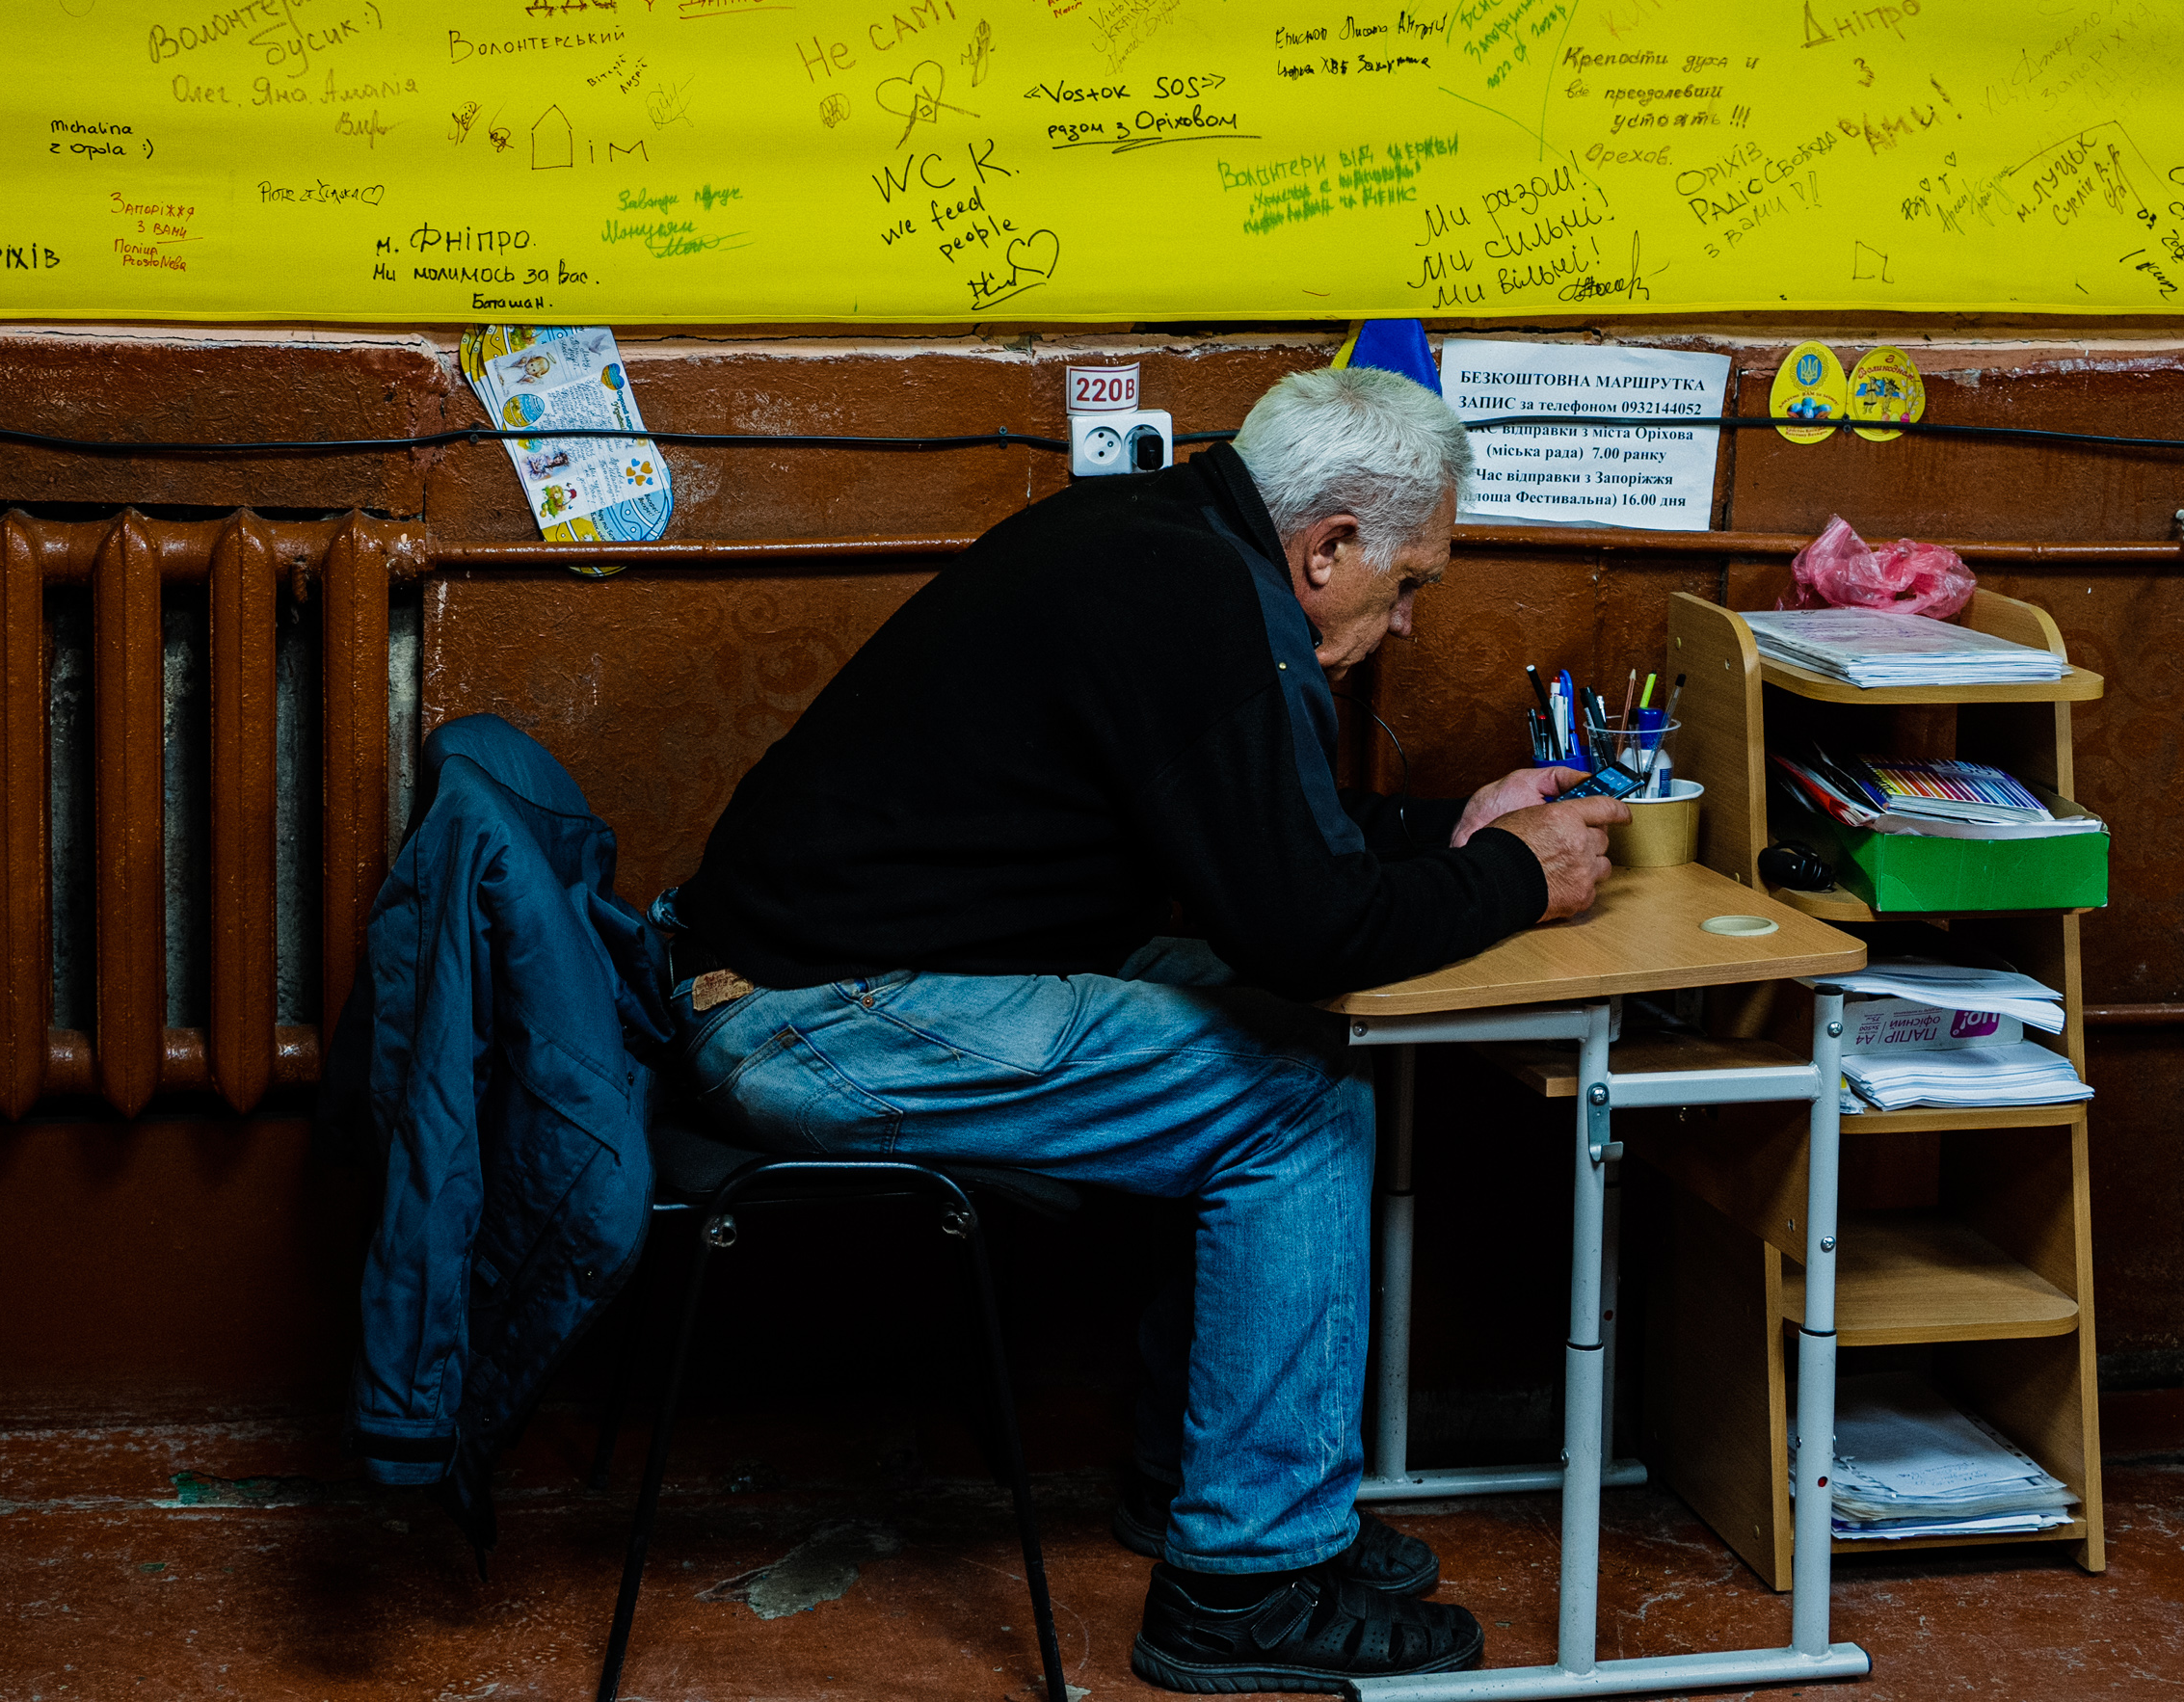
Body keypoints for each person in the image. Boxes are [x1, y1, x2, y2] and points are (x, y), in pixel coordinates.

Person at [664, 363, 1621, 1691]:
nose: (1407, 623)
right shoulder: (1197, 605)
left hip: (847, 986)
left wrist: (1460, 833)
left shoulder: (1166, 544)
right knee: (1291, 1091)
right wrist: (1521, 876)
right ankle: (1242, 1580)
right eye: (1411, 585)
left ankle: (1206, 1481)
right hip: (815, 1023)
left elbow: (1264, 848)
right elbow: (1308, 926)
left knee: (1288, 1034)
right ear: (1328, 548)